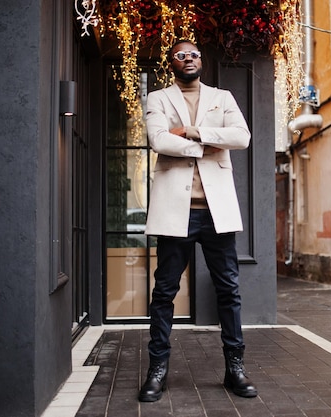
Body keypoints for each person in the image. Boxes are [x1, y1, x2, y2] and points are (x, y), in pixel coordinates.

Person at [139, 39, 258, 402]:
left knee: (229, 292)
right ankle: (157, 368)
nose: (188, 58)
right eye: (180, 54)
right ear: (171, 62)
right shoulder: (158, 98)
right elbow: (158, 140)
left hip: (216, 211)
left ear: (201, 61)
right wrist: (210, 146)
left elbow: (242, 137)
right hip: (175, 212)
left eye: (193, 54)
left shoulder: (222, 97)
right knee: (164, 294)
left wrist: (192, 133)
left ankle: (234, 368)